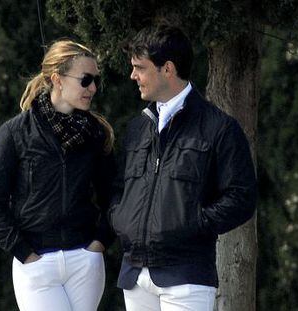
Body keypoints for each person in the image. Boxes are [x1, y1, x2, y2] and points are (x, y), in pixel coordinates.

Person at [109, 25, 257, 311]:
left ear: (168, 68)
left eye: (140, 67)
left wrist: (193, 224)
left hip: (188, 275)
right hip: (135, 275)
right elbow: (119, 188)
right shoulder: (138, 127)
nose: (133, 76)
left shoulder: (219, 128)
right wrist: (121, 219)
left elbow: (241, 198)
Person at [0, 39, 115, 311]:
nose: (93, 88)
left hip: (85, 260)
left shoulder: (96, 133)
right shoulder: (15, 133)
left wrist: (99, 244)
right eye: (86, 80)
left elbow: (113, 195)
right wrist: (25, 253)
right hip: (36, 263)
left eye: (96, 80)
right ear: (57, 79)